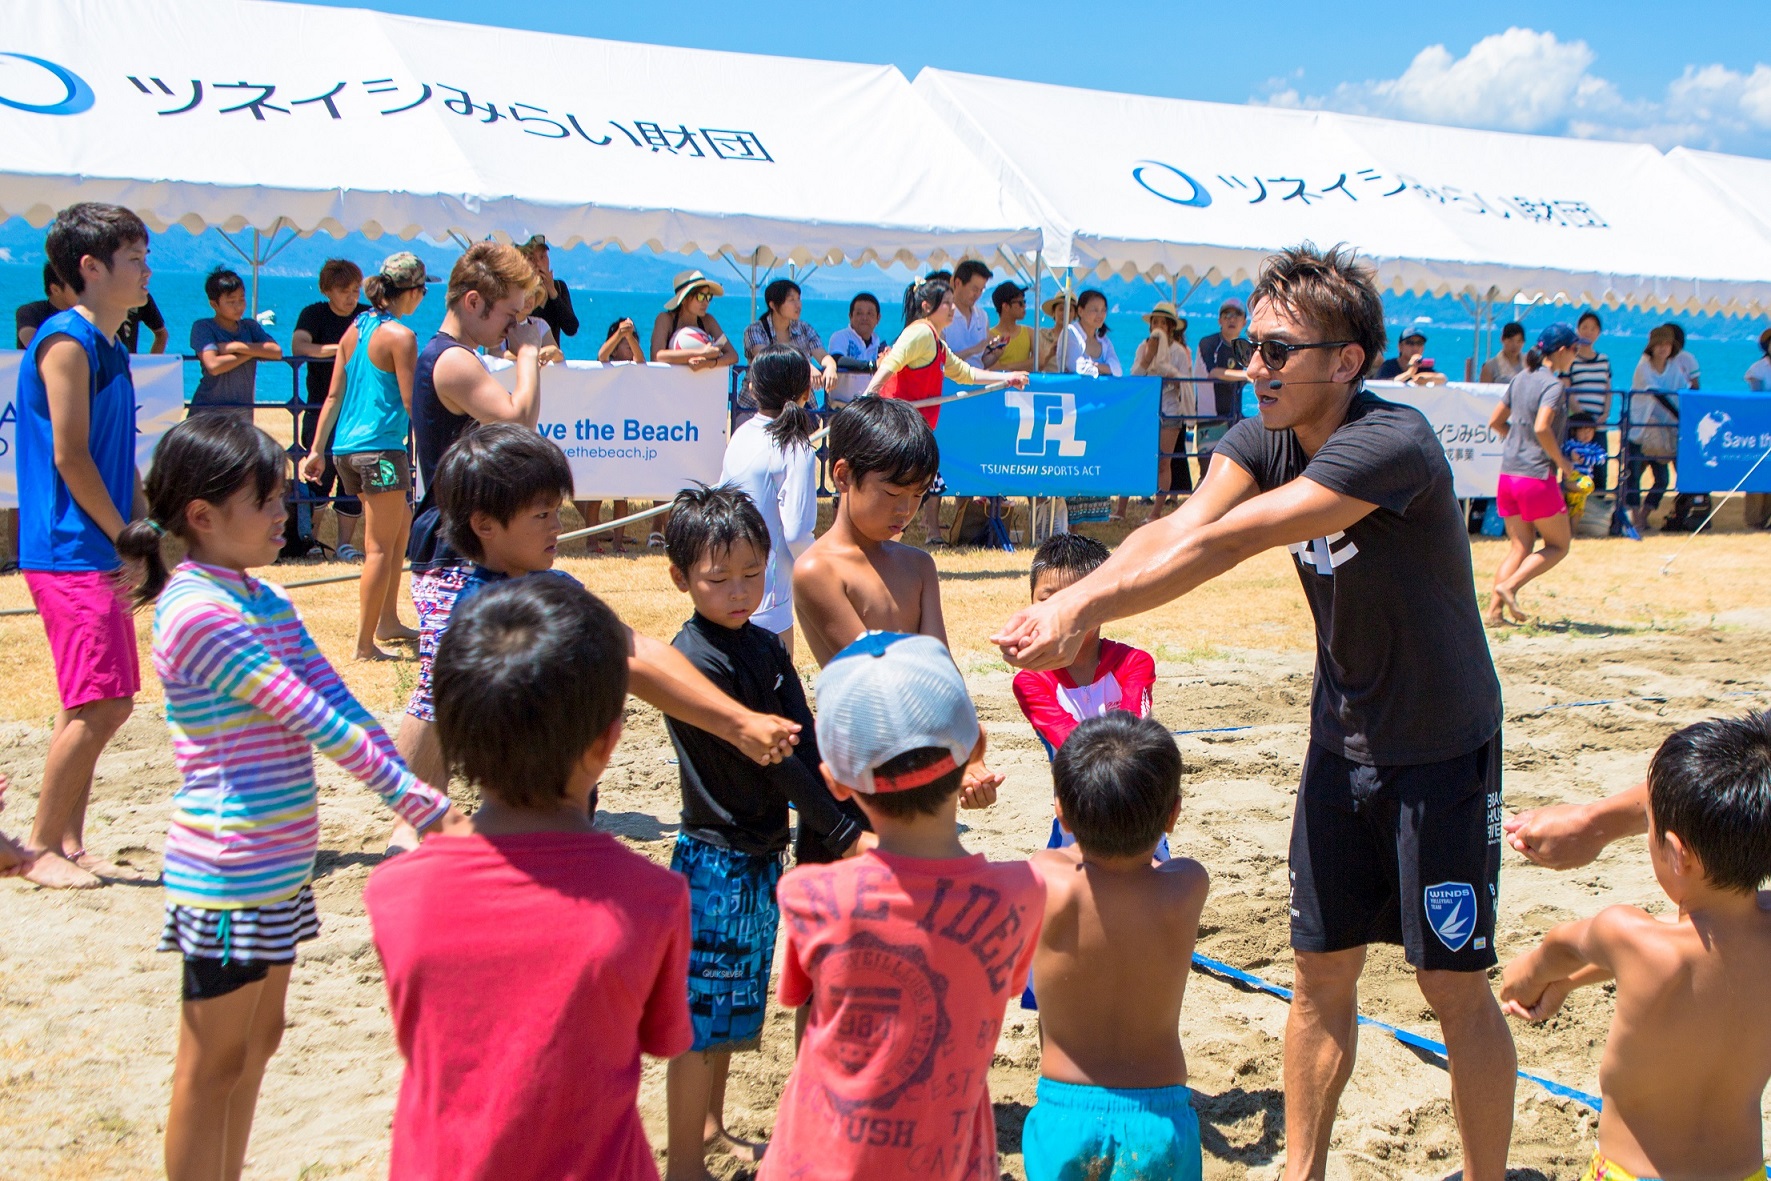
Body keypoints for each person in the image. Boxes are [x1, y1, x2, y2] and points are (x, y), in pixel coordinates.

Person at [993, 244, 1513, 1181]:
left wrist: (1085, 609)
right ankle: (1301, 1172)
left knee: (1449, 985)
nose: (1253, 367)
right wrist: (1078, 595)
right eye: (1253, 346)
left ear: (1346, 360)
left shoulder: (1388, 440)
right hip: (1338, 738)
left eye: (1277, 351)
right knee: (1319, 973)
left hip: (1440, 745)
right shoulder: (1266, 431)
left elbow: (1233, 541)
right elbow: (1182, 523)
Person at [113, 415, 458, 1181]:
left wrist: (415, 789)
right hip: (229, 870)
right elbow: (307, 713)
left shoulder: (260, 595)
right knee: (210, 1065)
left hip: (279, 867)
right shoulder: (196, 609)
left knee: (257, 1045)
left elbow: (339, 698)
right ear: (201, 517)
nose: (284, 512)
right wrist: (422, 805)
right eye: (265, 500)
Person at [363, 574, 690, 1180]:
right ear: (607, 741)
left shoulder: (394, 893)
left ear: (452, 736)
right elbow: (663, 1038)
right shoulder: (654, 898)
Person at [393, 422, 805, 856]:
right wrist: (737, 724)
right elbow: (632, 666)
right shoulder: (474, 613)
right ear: (485, 525)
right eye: (541, 515)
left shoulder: (555, 585)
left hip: (568, 813)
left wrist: (739, 717)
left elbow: (639, 648)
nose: (558, 526)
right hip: (523, 827)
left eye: (556, 510)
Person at [757, 631, 1043, 1181]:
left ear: (836, 783)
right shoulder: (1020, 895)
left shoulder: (809, 896)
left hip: (815, 1162)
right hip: (948, 1159)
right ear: (976, 747)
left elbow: (801, 996)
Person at [660, 486, 866, 1180]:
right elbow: (772, 758)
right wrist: (841, 831)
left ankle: (712, 1129)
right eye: (719, 578)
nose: (739, 590)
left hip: (759, 852)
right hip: (713, 858)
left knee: (731, 1008)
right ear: (681, 577)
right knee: (699, 1020)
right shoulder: (694, 658)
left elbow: (800, 742)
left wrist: (846, 800)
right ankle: (685, 1161)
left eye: (753, 573)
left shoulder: (761, 645)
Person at [1499, 712, 1771, 1181]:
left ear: (1675, 851)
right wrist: (1573, 982)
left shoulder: (1624, 933)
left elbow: (1557, 947)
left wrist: (1526, 982)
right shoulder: (1668, 944)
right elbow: (1702, 948)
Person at [13, 202, 153, 890]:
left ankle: (67, 839)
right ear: (91, 267)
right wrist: (124, 532)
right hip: (68, 548)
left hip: (98, 544)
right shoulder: (66, 341)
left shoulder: (111, 344)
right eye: (134, 258)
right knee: (101, 702)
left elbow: (115, 456)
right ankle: (39, 845)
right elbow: (71, 456)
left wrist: (147, 528)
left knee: (103, 698)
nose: (146, 269)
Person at [1022, 714, 1208, 1181]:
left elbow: (1062, 856)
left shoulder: (1045, 879)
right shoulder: (1186, 886)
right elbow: (1164, 861)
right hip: (1160, 1114)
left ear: (1061, 813)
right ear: (1173, 814)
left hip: (1065, 1111)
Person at [794, 396, 1004, 807]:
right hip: (864, 770)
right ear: (842, 475)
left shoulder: (919, 565)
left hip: (924, 756)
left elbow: (943, 670)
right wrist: (957, 758)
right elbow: (877, 678)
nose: (906, 509)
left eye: (919, 495)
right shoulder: (817, 570)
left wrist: (970, 758)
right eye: (892, 493)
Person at [392, 241, 545, 804]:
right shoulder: (452, 359)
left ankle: (418, 813)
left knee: (452, 683)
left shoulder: (452, 354)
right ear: (475, 301)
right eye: (508, 313)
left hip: (462, 535)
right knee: (438, 685)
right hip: (451, 538)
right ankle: (408, 818)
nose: (514, 326)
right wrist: (528, 354)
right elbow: (518, 423)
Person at [299, 252, 435, 661]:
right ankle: (364, 644)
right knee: (379, 546)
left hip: (346, 449)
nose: (424, 297)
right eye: (422, 290)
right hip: (380, 449)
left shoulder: (354, 330)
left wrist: (316, 449)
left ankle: (388, 621)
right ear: (410, 292)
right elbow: (413, 403)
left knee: (396, 535)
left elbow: (334, 395)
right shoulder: (401, 337)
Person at [862, 277, 1029, 540]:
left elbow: (965, 373)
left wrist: (1006, 378)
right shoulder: (919, 333)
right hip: (896, 429)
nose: (952, 309)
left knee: (902, 501)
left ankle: (888, 551)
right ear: (928, 306)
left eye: (953, 303)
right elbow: (890, 364)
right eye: (946, 304)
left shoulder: (936, 342)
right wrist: (868, 396)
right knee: (894, 499)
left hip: (913, 432)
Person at [1012, 533, 1156, 763]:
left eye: (1075, 601)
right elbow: (1070, 744)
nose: (1059, 613)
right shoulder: (1031, 681)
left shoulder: (1134, 663)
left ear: (1105, 604)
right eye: (1047, 599)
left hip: (1134, 791)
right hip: (1074, 796)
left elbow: (1133, 736)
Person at [718, 344, 818, 655]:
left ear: (755, 387)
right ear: (804, 392)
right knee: (774, 695)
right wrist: (826, 565)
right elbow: (798, 534)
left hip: (728, 582)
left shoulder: (742, 434)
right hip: (770, 594)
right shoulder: (796, 448)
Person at [1486, 323, 1582, 626]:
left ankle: (1493, 613)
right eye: (1575, 349)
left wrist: (1518, 441)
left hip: (1508, 475)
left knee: (1519, 546)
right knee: (1559, 545)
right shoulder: (1553, 386)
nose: (1577, 355)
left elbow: (1496, 422)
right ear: (1563, 350)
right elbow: (1542, 427)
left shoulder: (1520, 379)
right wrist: (1566, 466)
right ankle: (1510, 586)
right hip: (1536, 477)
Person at [291, 260, 370, 561]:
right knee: (318, 477)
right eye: (343, 291)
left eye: (355, 290)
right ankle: (309, 539)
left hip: (358, 409)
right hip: (318, 407)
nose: (351, 297)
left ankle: (345, 544)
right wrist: (342, 349)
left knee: (353, 476)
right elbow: (300, 346)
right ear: (327, 290)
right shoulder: (313, 313)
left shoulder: (366, 316)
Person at [575, 317, 644, 555]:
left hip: (625, 436)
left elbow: (640, 359)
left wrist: (630, 336)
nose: (627, 344)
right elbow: (602, 355)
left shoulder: (634, 367)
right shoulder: (605, 365)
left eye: (631, 341)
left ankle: (618, 541)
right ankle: (591, 542)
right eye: (623, 343)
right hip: (604, 434)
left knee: (621, 496)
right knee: (596, 494)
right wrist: (619, 334)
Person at [1132, 300, 1200, 515]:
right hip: (1147, 410)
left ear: (1171, 327)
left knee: (1164, 461)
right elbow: (1134, 378)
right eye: (1156, 322)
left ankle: (1156, 511)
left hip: (1170, 410)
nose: (1159, 326)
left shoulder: (1178, 352)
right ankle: (1124, 507)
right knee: (1140, 456)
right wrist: (1149, 358)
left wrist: (1169, 373)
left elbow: (1185, 382)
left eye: (1164, 322)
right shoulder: (1143, 348)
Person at [189, 268, 281, 419]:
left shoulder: (250, 326)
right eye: (231, 302)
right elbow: (213, 365)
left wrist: (236, 347)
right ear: (214, 304)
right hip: (207, 413)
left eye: (242, 299)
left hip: (242, 415)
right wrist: (252, 352)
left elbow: (276, 352)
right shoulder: (203, 327)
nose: (238, 306)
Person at [742, 278, 837, 412]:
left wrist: (831, 367)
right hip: (760, 404)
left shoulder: (805, 329)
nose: (798, 305)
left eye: (798, 299)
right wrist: (805, 367)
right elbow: (768, 359)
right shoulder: (755, 330)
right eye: (791, 300)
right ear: (773, 305)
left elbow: (822, 355)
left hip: (798, 403)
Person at [1626, 325, 1686, 535]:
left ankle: (1643, 515)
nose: (1663, 348)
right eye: (1659, 344)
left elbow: (1682, 392)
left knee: (1662, 479)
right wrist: (1679, 415)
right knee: (1632, 476)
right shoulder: (1643, 368)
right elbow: (1655, 393)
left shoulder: (1674, 369)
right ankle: (1633, 518)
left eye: (1667, 344)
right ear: (1651, 347)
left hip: (1663, 431)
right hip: (1639, 429)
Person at [1195, 298, 1252, 471]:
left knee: (1235, 469)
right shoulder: (1209, 343)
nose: (1231, 319)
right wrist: (1246, 375)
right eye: (1226, 314)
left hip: (1235, 417)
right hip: (1209, 417)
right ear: (1219, 320)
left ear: (1244, 321)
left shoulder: (1245, 348)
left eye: (1237, 315)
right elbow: (1214, 372)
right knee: (1208, 471)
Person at [1566, 312, 1615, 504]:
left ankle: (1597, 507)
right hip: (1578, 423)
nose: (1588, 332)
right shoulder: (1572, 360)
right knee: (1575, 466)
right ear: (1578, 330)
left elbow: (1608, 389)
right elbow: (1567, 388)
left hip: (1599, 424)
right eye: (1584, 327)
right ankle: (1575, 506)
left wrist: (1605, 413)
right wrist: (1582, 415)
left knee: (1600, 465)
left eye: (1593, 328)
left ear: (1599, 333)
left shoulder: (1604, 359)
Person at [651, 271, 737, 371]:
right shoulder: (665, 319)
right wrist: (702, 353)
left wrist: (708, 363)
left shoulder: (708, 321)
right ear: (683, 299)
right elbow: (657, 356)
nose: (706, 302)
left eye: (708, 297)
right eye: (700, 297)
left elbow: (733, 355)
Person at [518, 234, 579, 349]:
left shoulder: (559, 287)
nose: (538, 263)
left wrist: (552, 291)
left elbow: (571, 328)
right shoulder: (518, 290)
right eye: (532, 258)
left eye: (542, 257)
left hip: (551, 359)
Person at [1051, 288, 1123, 377]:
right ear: (1080, 311)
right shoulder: (1070, 332)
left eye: (1103, 310)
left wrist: (1094, 365)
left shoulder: (1104, 340)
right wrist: (1105, 369)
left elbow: (1118, 370)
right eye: (1095, 310)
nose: (1100, 315)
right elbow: (1078, 368)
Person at [944, 258, 998, 366]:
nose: (977, 294)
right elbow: (940, 361)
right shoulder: (942, 314)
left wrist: (996, 354)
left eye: (981, 290)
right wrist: (974, 350)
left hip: (977, 380)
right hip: (950, 381)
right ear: (958, 283)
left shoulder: (982, 317)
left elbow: (981, 361)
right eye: (974, 289)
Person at [14, 261, 76, 348]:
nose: (84, 290)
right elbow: (33, 344)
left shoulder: (88, 315)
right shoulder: (31, 312)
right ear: (55, 290)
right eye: (77, 286)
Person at [1562, 413, 1606, 525]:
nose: (1587, 434)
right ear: (1574, 432)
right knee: (1564, 507)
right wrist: (1570, 454)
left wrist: (1587, 459)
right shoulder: (1571, 444)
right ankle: (1563, 485)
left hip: (1583, 478)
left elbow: (1602, 458)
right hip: (1571, 475)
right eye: (1583, 431)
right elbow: (1562, 451)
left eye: (1590, 431)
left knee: (1578, 508)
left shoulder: (1593, 447)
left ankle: (1573, 533)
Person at [985, 280, 1035, 372]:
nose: (1024, 306)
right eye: (1020, 303)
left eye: (1024, 302)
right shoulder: (990, 337)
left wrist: (1006, 367)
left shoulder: (1030, 333)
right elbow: (994, 368)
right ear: (1006, 306)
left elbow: (1040, 361)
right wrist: (1027, 365)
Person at [1375, 327, 1448, 385]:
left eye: (1419, 343)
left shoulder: (1423, 367)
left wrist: (1423, 378)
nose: (1415, 347)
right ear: (1400, 347)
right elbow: (1383, 384)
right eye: (1410, 343)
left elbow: (1442, 378)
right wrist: (1409, 373)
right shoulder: (1389, 366)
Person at [826, 291, 885, 363]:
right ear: (850, 316)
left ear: (878, 318)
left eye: (870, 313)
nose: (864, 318)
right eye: (859, 313)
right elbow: (837, 360)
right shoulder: (840, 337)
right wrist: (872, 365)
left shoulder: (878, 344)